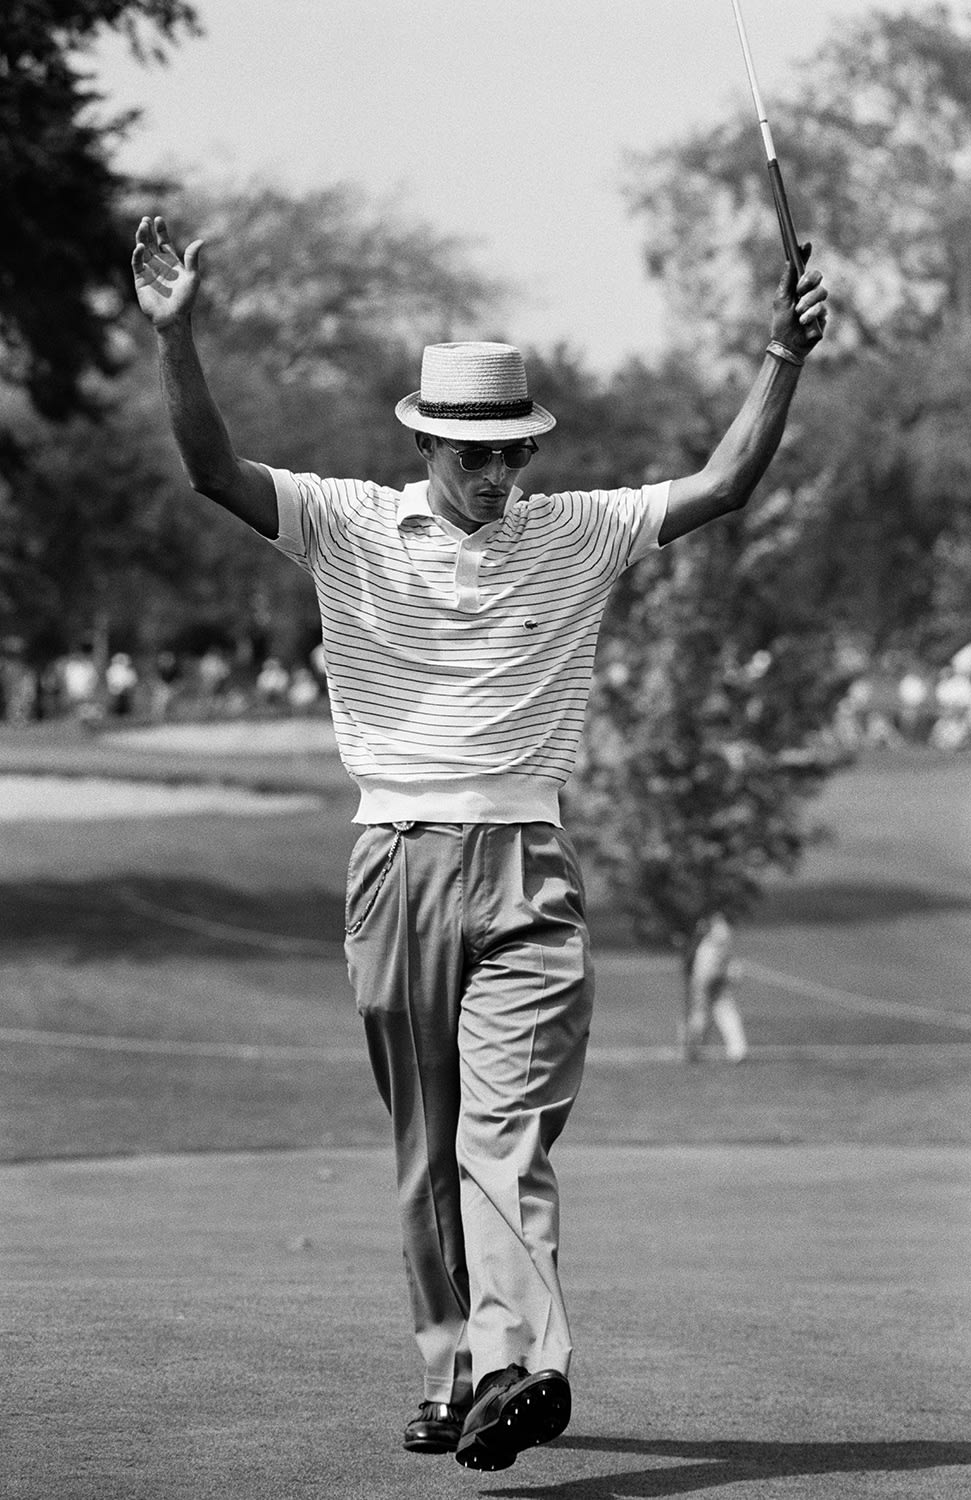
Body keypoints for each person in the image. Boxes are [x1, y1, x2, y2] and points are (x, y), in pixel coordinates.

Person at [132, 212, 827, 1470]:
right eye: (474, 454)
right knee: (423, 1146)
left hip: (525, 868)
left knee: (497, 1136)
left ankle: (521, 1367)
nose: (498, 475)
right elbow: (211, 472)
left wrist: (778, 356)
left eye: (512, 452)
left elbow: (721, 486)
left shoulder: (578, 530)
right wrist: (179, 340)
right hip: (393, 862)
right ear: (423, 441)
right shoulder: (343, 522)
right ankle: (450, 1370)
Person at [684, 912, 748, 1063]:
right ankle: (736, 1051)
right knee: (720, 1011)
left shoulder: (713, 933)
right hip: (710, 975)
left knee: (707, 1012)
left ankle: (693, 1050)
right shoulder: (718, 931)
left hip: (707, 976)